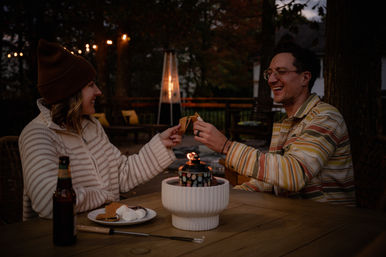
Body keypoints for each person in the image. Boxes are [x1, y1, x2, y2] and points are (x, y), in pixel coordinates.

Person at [19, 39, 182, 220]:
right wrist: (105, 195)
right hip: (58, 238)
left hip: (105, 227)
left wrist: (161, 144)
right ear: (70, 93)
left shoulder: (91, 127)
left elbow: (121, 175)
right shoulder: (37, 135)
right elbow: (49, 201)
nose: (98, 91)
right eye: (90, 85)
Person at [193, 43, 355, 206]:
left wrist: (226, 147)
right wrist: (221, 191)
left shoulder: (326, 117)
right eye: (269, 73)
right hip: (296, 216)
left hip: (328, 221)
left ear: (305, 78)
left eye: (281, 72)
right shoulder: (287, 124)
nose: (271, 80)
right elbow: (271, 181)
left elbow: (295, 174)